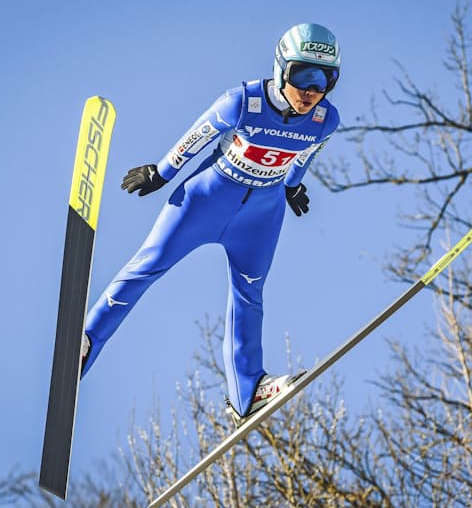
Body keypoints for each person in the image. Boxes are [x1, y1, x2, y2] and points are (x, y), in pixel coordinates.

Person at [79, 23, 341, 426]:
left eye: (323, 80)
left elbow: (303, 154)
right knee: (147, 266)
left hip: (261, 217)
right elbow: (196, 137)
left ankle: (247, 393)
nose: (311, 90)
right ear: (280, 69)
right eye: (302, 76)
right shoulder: (242, 102)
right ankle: (86, 343)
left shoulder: (326, 119)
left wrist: (292, 187)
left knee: (250, 296)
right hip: (206, 200)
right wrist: (161, 173)